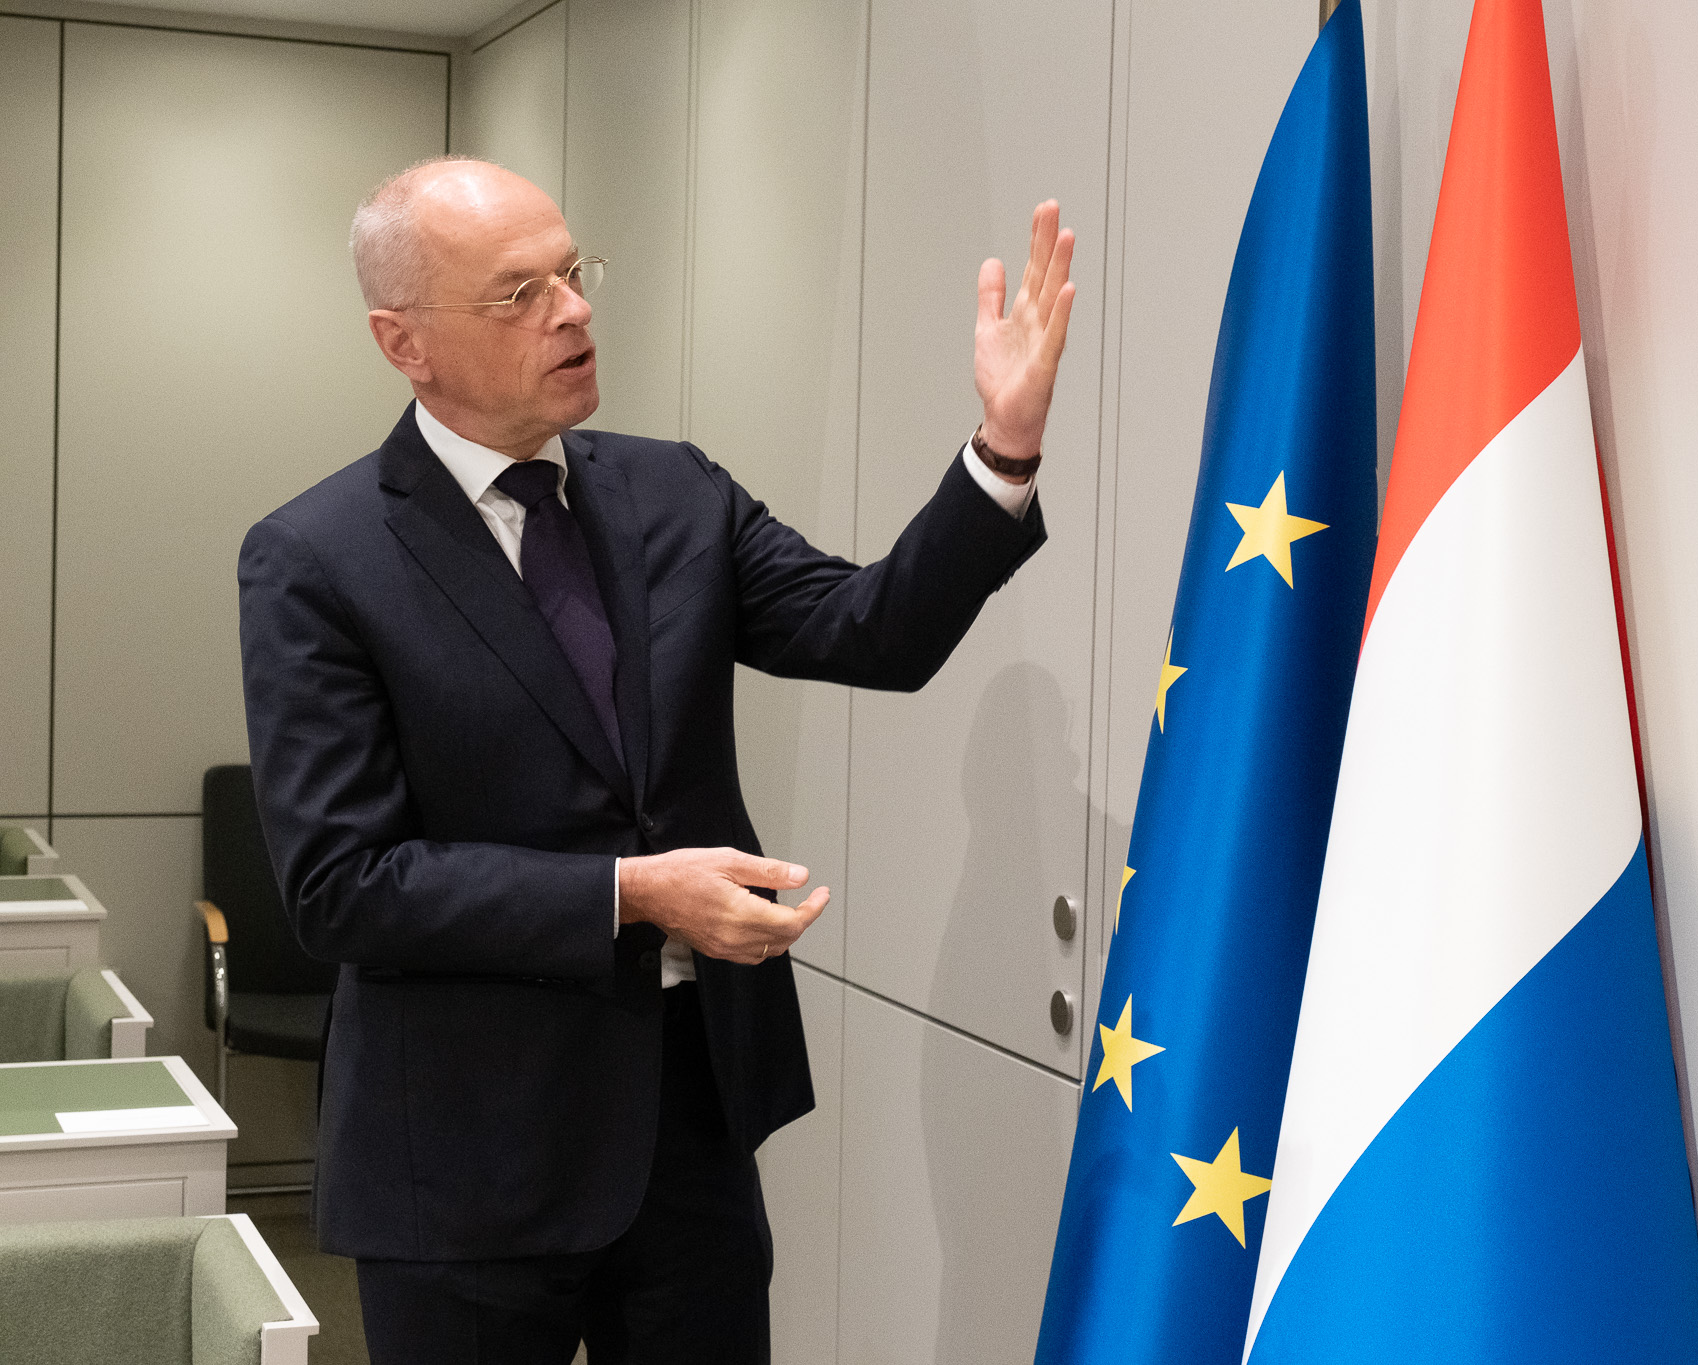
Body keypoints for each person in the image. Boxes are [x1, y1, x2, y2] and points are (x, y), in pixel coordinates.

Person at [237, 156, 1075, 1363]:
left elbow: (870, 631)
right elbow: (340, 887)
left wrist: (1001, 449)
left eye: (573, 274)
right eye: (517, 294)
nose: (573, 312)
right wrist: (631, 896)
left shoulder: (674, 490)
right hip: (465, 1157)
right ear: (403, 342)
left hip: (689, 1125)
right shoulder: (318, 558)